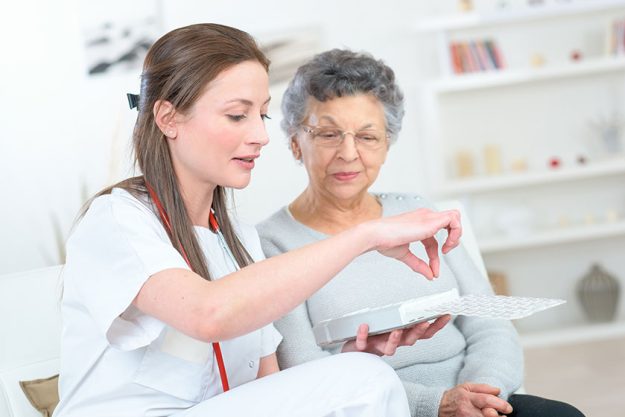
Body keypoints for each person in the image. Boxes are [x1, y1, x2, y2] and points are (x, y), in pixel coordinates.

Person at [52, 24, 467, 417]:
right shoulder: (117, 220)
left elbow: (266, 385)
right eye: (237, 115)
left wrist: (344, 367)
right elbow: (207, 314)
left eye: (262, 116)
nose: (261, 135)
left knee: (366, 378)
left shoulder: (238, 242)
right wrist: (367, 235)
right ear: (167, 118)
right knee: (367, 381)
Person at [257, 49, 585, 417]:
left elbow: (489, 323)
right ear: (295, 142)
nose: (348, 153)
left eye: (368, 137)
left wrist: (478, 396)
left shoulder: (416, 212)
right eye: (329, 134)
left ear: (386, 145)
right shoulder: (271, 243)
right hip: (377, 409)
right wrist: (436, 406)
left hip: (475, 399)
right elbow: (304, 364)